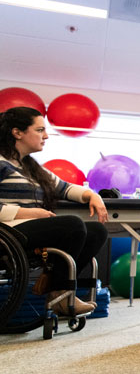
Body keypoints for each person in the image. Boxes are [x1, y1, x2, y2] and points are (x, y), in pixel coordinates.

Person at [0, 107, 108, 316]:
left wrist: (93, 196)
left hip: (26, 230)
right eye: (40, 130)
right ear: (17, 132)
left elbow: (65, 188)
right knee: (72, 225)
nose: (46, 136)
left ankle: (57, 289)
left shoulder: (30, 167)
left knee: (97, 231)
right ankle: (59, 292)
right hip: (7, 233)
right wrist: (27, 213)